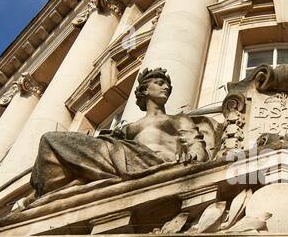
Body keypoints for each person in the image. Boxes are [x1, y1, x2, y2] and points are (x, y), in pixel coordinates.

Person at [31, 67, 211, 195]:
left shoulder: (177, 119)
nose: (166, 88)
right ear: (145, 90)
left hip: (155, 161)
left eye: (167, 86)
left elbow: (196, 146)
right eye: (160, 83)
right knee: (50, 140)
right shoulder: (127, 129)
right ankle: (45, 192)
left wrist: (192, 158)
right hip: (125, 158)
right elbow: (104, 145)